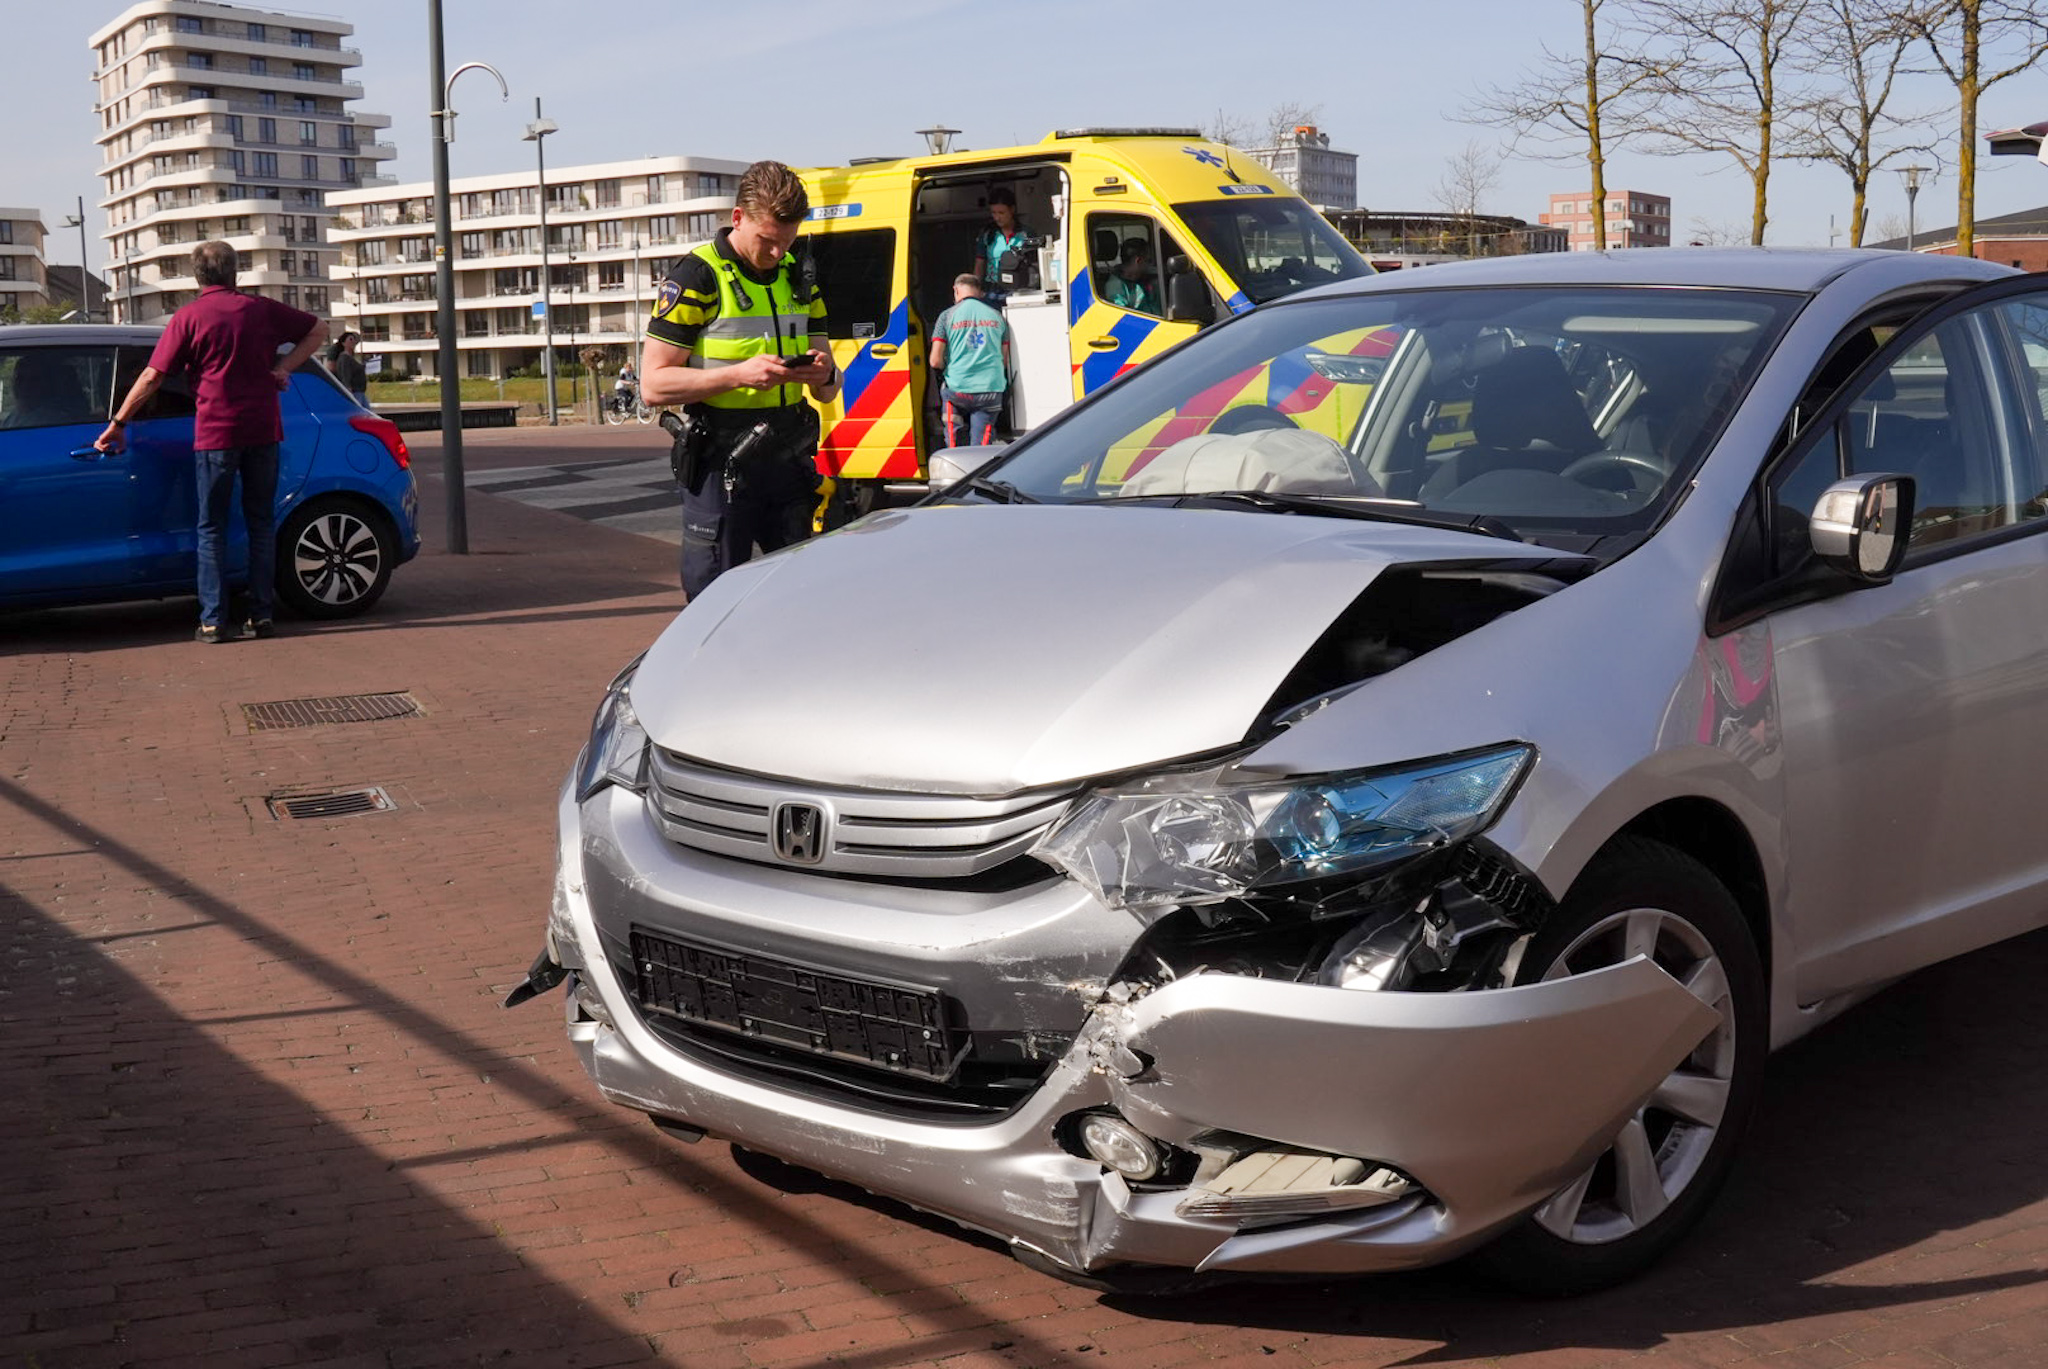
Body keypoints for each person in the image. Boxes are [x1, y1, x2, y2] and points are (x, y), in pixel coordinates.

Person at [95, 241, 326, 644]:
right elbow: (319, 329)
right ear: (234, 273)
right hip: (263, 431)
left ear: (197, 276)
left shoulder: (188, 318)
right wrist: (281, 368)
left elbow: (152, 377)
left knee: (211, 528)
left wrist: (118, 422)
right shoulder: (261, 310)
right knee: (260, 524)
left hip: (217, 435)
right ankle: (261, 616)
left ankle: (213, 621)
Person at [639, 160, 838, 598]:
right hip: (722, 459)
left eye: (787, 242)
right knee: (716, 598)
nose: (777, 254)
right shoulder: (697, 276)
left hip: (788, 458)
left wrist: (823, 372)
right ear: (737, 219)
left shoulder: (799, 275)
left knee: (800, 594)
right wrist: (738, 376)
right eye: (767, 240)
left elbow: (828, 390)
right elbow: (653, 385)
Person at [928, 274, 1011, 448]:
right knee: (982, 446)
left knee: (953, 440)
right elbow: (1003, 360)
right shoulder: (998, 316)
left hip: (957, 390)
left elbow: (935, 361)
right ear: (980, 293)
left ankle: (955, 465)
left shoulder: (946, 316)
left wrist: (949, 367)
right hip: (990, 389)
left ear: (956, 290)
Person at [972, 186, 1033, 305]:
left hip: (1020, 288)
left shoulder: (1026, 234)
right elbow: (979, 264)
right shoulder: (987, 234)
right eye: (993, 213)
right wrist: (975, 291)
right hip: (992, 289)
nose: (997, 217)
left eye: (1001, 212)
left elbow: (1034, 263)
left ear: (1012, 210)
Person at [1103, 238, 1158, 314]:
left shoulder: (1144, 279)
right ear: (1138, 261)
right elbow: (1123, 316)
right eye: (1148, 260)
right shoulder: (1115, 285)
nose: (1150, 265)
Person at [326, 330, 368, 404]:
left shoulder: (350, 357)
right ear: (343, 343)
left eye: (355, 339)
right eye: (350, 339)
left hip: (360, 391)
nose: (354, 341)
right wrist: (348, 389)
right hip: (355, 391)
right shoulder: (344, 358)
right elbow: (345, 374)